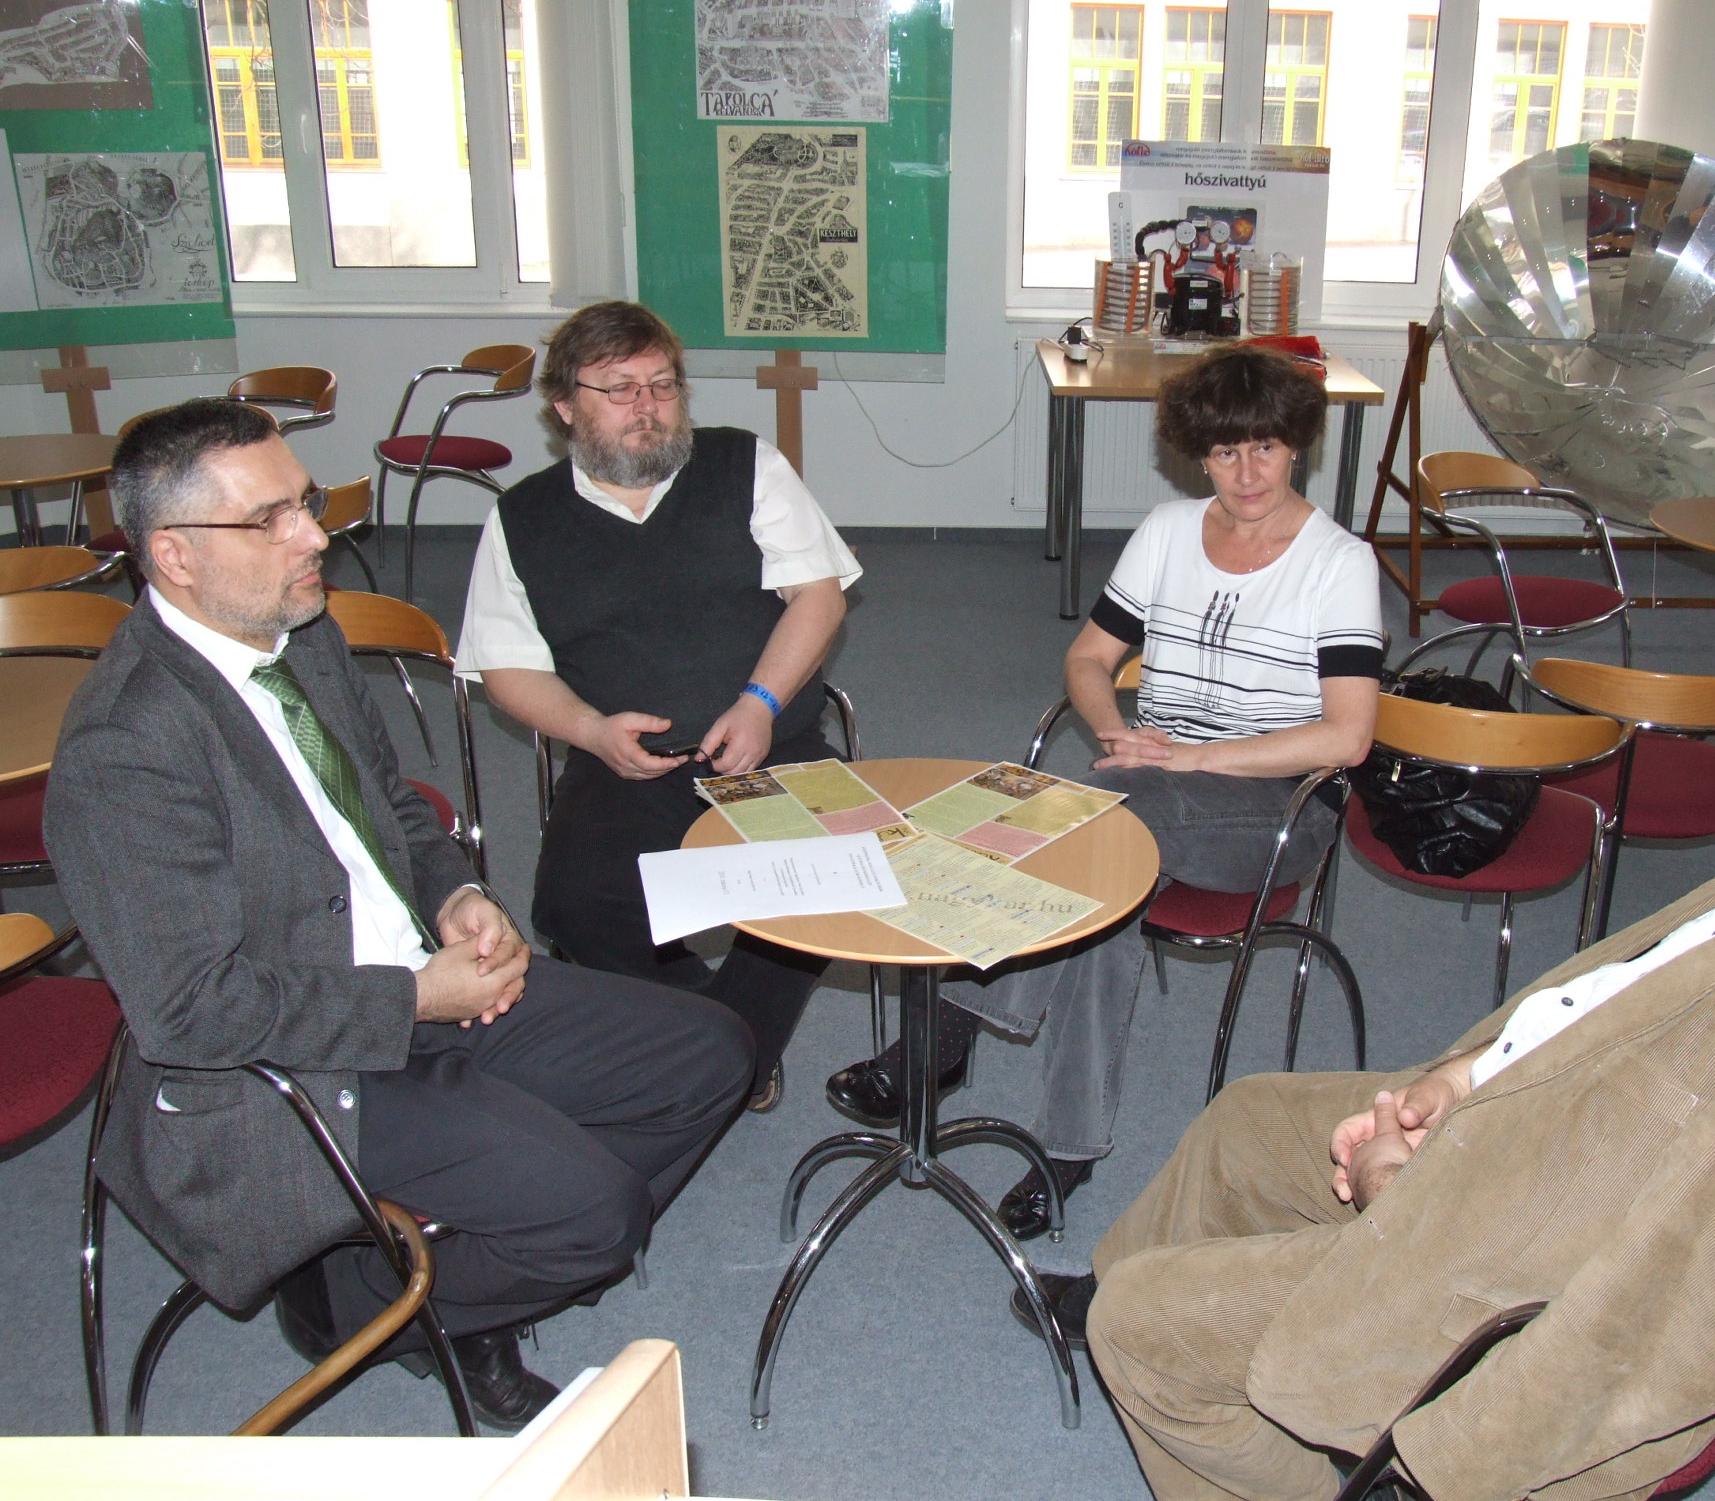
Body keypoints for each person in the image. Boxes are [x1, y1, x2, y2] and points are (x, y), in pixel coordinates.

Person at [1024, 590, 1715, 1501]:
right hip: (1525, 1125)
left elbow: (1696, 1326)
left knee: (1144, 1333)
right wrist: (1460, 1077)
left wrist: (1448, 1460)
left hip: (1510, 1291)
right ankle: (1124, 1288)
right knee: (1247, 1123)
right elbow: (1624, 997)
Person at [45, 400, 755, 1429]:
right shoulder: (126, 746)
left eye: (307, 503)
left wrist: (456, 895)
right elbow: (193, 1013)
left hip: (411, 984)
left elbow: (392, 808)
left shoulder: (302, 631)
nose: (314, 537)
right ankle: (358, 1303)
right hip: (287, 1072)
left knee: (711, 1054)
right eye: (271, 520)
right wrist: (417, 997)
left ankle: (453, 1271)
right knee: (596, 1218)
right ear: (175, 556)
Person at [824, 344, 1383, 1238]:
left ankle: (946, 1036)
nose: (1248, 473)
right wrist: (1116, 732)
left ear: (1297, 448)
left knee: (1101, 826)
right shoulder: (1168, 531)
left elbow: (1347, 737)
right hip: (1145, 786)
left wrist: (1193, 759)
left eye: (1267, 449)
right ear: (1200, 454)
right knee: (1106, 892)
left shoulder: (1337, 562)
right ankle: (1068, 1148)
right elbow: (1089, 659)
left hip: (1278, 802)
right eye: (1227, 452)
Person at [456, 301, 861, 1112]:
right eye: (618, 388)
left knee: (826, 880)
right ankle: (717, 1033)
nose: (646, 405)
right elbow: (506, 669)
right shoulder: (521, 518)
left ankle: (722, 1054)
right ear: (564, 406)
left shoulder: (744, 466)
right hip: (625, 763)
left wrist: (759, 702)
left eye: (662, 384)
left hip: (770, 742)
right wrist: (590, 730)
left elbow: (819, 598)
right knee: (573, 907)